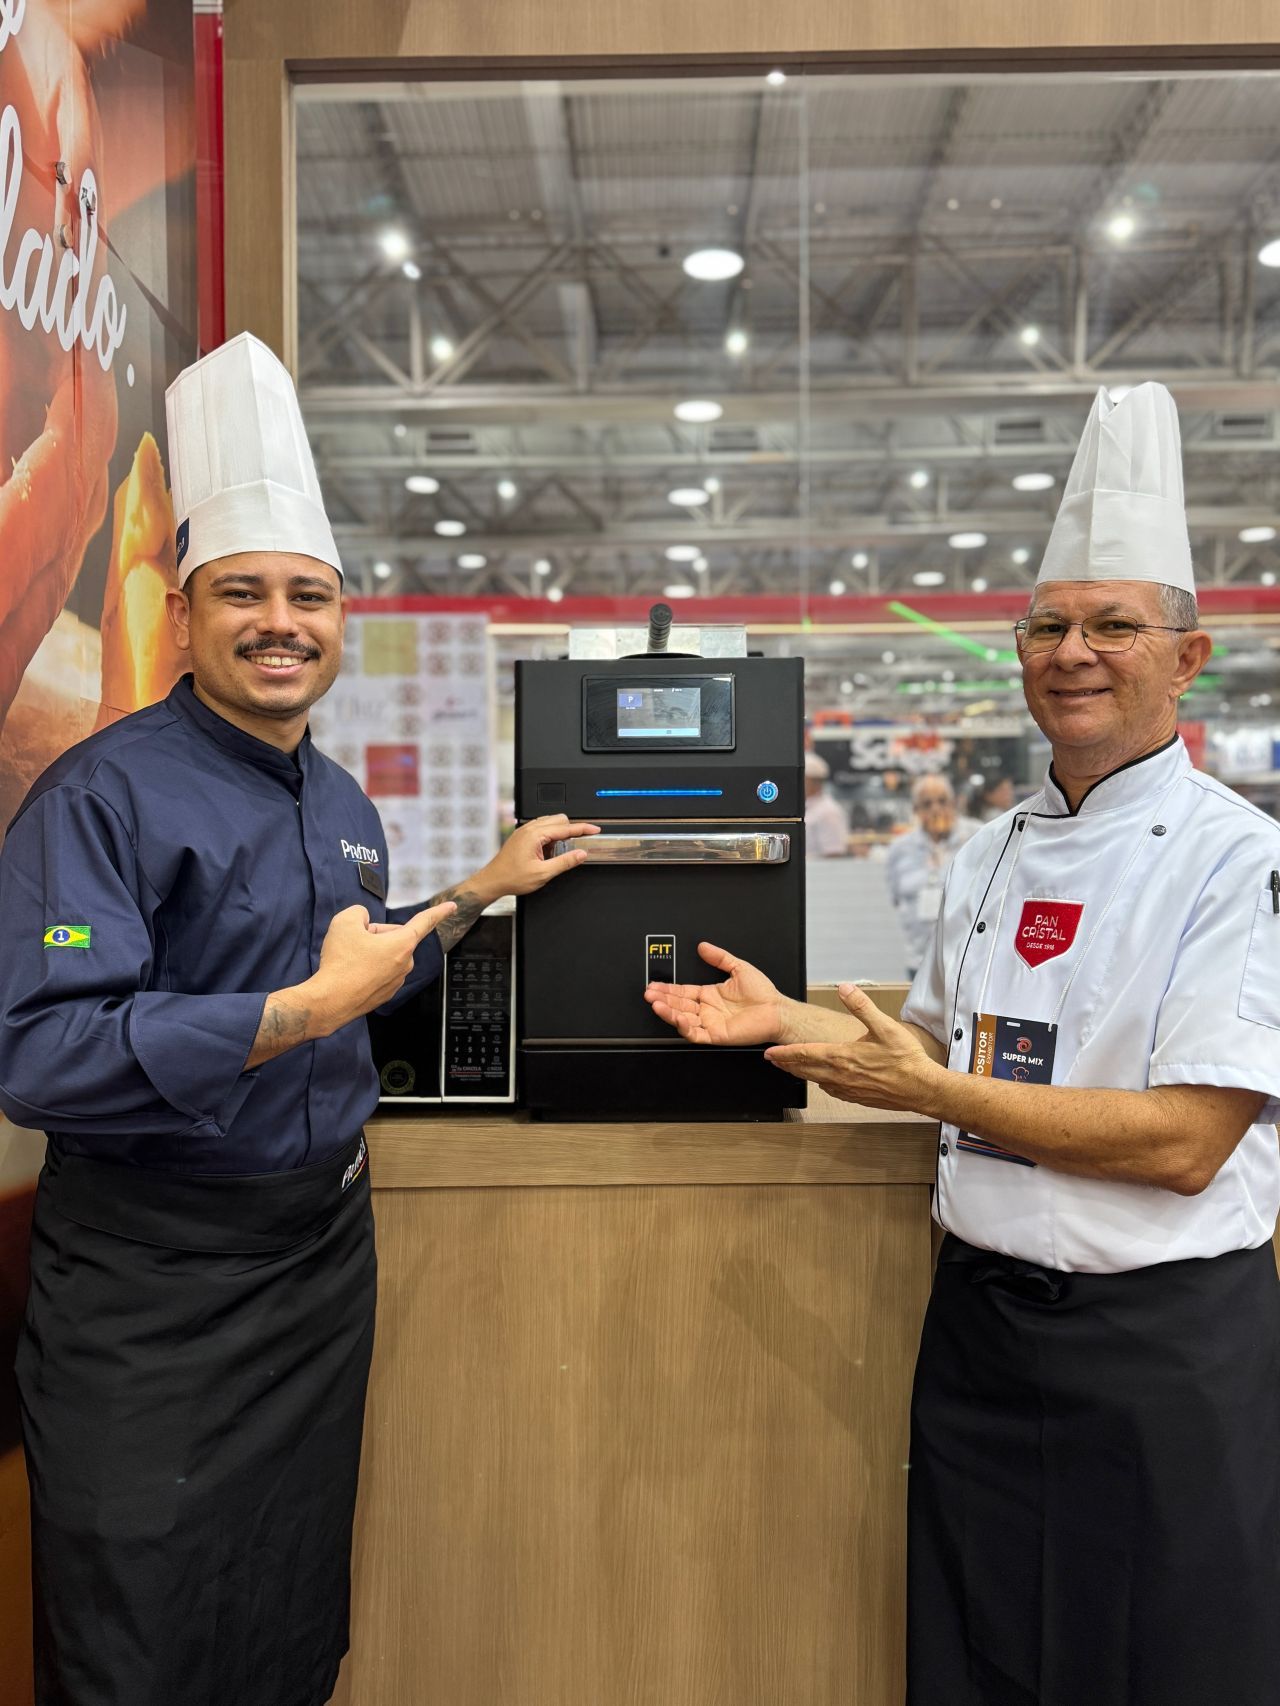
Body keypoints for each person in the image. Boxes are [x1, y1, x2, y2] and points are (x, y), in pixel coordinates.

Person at [644, 381, 1280, 1706]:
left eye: (1115, 624)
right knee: (980, 1652)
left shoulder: (1238, 859)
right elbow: (931, 1039)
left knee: (1169, 1662)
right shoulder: (989, 847)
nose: (1074, 651)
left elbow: (1183, 1140)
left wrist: (932, 1088)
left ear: (1188, 655)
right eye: (1048, 623)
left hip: (1165, 1351)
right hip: (983, 1331)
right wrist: (792, 1020)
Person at [0, 333, 597, 1706]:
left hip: (317, 1268)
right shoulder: (101, 795)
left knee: (280, 1618)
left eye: (309, 597)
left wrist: (476, 895)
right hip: (152, 1291)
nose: (283, 622)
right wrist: (301, 1009)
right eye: (247, 594)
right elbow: (42, 1056)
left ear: (341, 617)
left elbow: (364, 968)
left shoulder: (338, 802)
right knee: (137, 1631)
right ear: (187, 603)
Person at [884, 773, 981, 976]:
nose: (936, 809)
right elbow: (894, 896)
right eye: (927, 804)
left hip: (967, 957)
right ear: (916, 810)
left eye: (942, 801)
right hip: (919, 957)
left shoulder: (978, 837)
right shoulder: (900, 848)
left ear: (954, 803)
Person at [803, 750, 848, 856]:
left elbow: (834, 853)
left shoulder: (828, 811)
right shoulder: (806, 807)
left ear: (814, 781)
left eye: (803, 778)